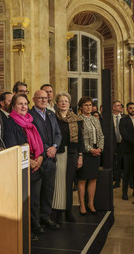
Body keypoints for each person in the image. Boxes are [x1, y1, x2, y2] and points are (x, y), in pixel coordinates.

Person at [3, 94, 45, 241]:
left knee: (34, 200)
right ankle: (25, 230)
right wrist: (29, 161)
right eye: (20, 104)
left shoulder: (31, 121)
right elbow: (11, 146)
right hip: (21, 168)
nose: (23, 107)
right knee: (23, 203)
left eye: (25, 104)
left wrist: (40, 157)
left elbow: (40, 142)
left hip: (36, 166)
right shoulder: (10, 123)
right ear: (13, 107)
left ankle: (35, 224)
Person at [29, 90, 62, 230]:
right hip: (37, 160)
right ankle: (35, 222)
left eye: (45, 98)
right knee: (35, 195)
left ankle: (46, 217)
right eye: (40, 98)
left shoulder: (51, 114)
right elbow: (34, 137)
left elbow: (58, 134)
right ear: (34, 99)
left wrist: (54, 147)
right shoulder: (29, 115)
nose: (43, 100)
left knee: (49, 191)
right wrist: (47, 149)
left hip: (51, 159)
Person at [53, 92, 84, 224]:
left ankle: (69, 211)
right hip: (58, 153)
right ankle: (58, 212)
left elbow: (81, 139)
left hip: (72, 154)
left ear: (69, 104)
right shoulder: (53, 118)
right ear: (57, 104)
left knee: (69, 183)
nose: (64, 103)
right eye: (61, 101)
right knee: (59, 184)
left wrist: (80, 156)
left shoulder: (76, 119)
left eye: (66, 101)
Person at [77, 96, 104, 215]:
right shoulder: (79, 119)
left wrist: (100, 148)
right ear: (81, 107)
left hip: (96, 152)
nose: (88, 107)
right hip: (85, 153)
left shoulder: (95, 119)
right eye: (86, 105)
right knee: (82, 179)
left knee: (93, 179)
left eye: (90, 105)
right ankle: (82, 204)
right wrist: (90, 149)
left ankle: (91, 203)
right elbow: (80, 138)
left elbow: (101, 136)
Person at [119, 102, 134, 200]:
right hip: (128, 149)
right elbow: (124, 134)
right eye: (130, 108)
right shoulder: (123, 120)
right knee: (127, 172)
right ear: (127, 109)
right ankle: (124, 192)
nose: (133, 110)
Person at [112, 100, 124, 188]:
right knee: (115, 163)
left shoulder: (124, 118)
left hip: (124, 144)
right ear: (114, 107)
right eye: (118, 105)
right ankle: (116, 181)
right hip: (114, 144)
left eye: (120, 105)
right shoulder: (108, 118)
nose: (120, 107)